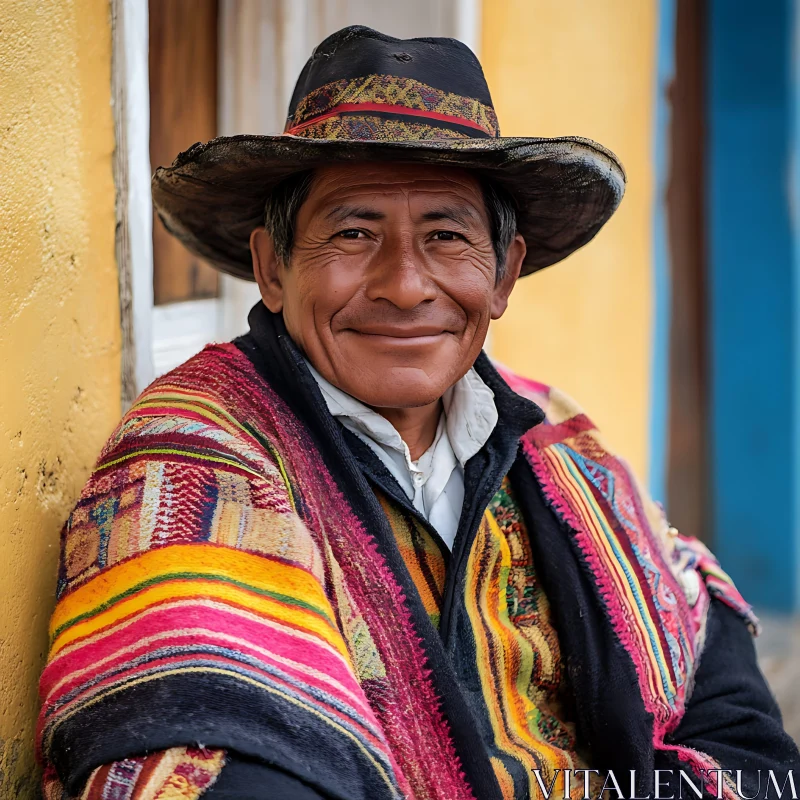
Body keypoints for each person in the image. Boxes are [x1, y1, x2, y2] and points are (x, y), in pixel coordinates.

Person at [38, 25, 798, 800]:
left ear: (503, 275)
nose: (405, 284)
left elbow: (732, 719)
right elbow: (208, 754)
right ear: (272, 269)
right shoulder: (193, 455)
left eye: (446, 236)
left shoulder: (556, 439)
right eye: (354, 232)